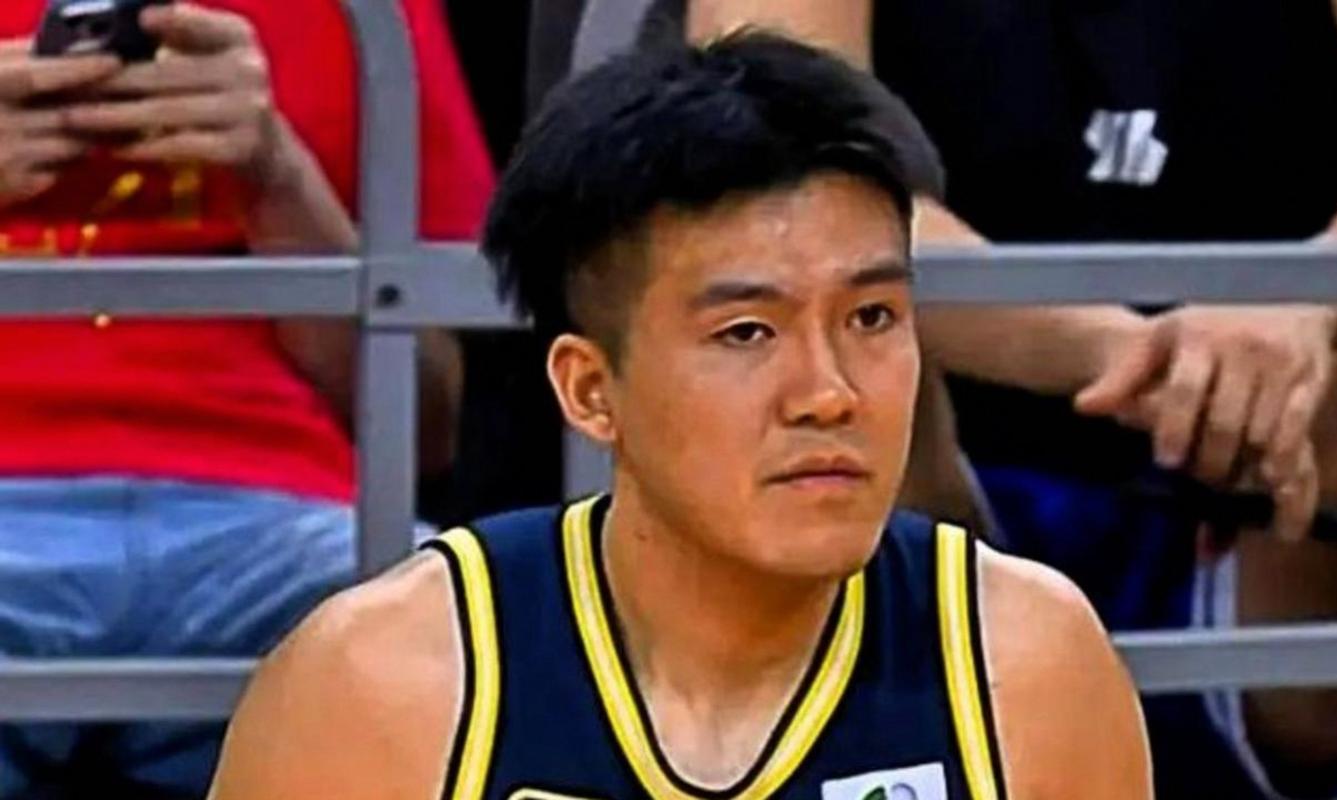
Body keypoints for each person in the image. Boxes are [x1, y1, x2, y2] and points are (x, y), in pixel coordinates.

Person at [208, 33, 1151, 800]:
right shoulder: (387, 684)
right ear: (590, 391)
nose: (829, 392)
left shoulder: (1025, 663)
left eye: (872, 318)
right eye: (747, 332)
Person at [670, 0, 1337, 797]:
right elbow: (773, 176)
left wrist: (1300, 309)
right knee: (800, 354)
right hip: (945, 462)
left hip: (1279, 491)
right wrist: (1109, 348)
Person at [0, 0, 493, 795]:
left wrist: (275, 176)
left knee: (478, 648)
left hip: (283, 515)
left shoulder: (370, 16)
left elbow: (428, 425)